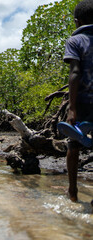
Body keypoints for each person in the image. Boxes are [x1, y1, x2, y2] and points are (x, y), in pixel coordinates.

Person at [63, 0, 93, 202]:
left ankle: (72, 193)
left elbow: (75, 73)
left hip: (83, 103)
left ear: (77, 21)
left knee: (73, 147)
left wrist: (71, 108)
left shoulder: (76, 41)